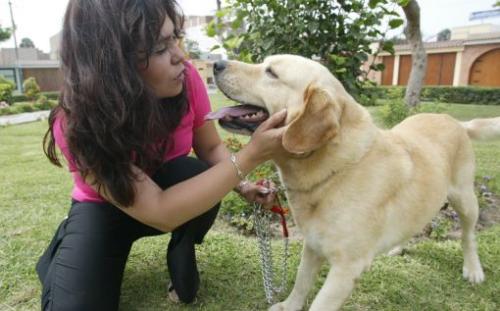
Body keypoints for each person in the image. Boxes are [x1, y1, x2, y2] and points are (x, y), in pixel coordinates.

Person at [36, 0, 287, 310]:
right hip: (105, 209)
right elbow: (158, 209)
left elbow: (209, 148)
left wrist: (244, 185)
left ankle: (182, 246)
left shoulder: (184, 78)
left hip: (169, 186)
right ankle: (67, 242)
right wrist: (251, 155)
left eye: (175, 37)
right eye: (159, 48)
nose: (180, 55)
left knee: (195, 172)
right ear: (114, 62)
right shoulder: (77, 122)